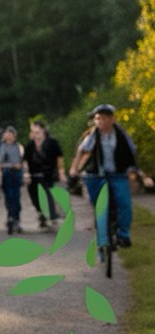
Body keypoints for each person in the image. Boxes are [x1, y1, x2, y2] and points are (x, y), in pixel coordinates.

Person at [68, 103, 139, 249]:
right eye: (97, 118)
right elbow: (81, 151)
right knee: (100, 207)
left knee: (124, 205)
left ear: (112, 119)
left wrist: (133, 171)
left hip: (118, 174)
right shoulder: (92, 135)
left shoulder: (121, 135)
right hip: (96, 176)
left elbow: (131, 152)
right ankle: (102, 240)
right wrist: (74, 169)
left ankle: (123, 235)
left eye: (103, 118)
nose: (100, 121)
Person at [23, 120, 66, 229]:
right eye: (33, 132)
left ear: (43, 131)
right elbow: (25, 160)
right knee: (34, 195)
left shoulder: (52, 142)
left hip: (48, 173)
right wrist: (26, 173)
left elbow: (59, 157)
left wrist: (61, 171)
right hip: (34, 174)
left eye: (37, 132)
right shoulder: (30, 145)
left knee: (48, 194)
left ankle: (52, 216)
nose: (35, 135)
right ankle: (41, 213)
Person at [0, 125, 25, 234]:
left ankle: (16, 219)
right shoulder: (1, 147)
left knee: (16, 196)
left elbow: (22, 160)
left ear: (14, 136)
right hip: (6, 173)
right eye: (7, 135)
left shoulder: (19, 147)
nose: (9, 137)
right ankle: (11, 217)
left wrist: (24, 171)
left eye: (11, 135)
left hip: (17, 174)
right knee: (9, 196)